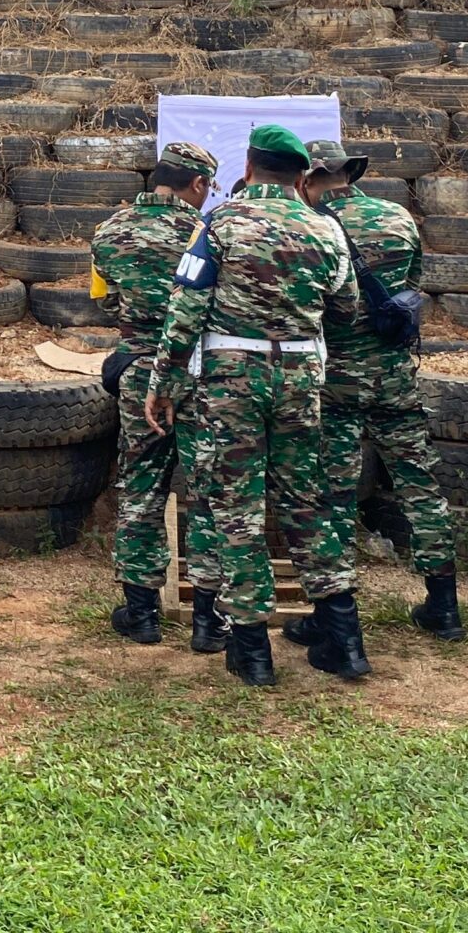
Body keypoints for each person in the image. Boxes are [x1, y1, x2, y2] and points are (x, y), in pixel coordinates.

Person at [145, 125, 354, 688]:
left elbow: (186, 307)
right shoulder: (325, 228)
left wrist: (163, 382)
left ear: (249, 165)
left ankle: (252, 649)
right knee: (305, 500)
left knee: (237, 505)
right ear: (301, 175)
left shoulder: (221, 223)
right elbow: (347, 305)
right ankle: (345, 638)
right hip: (301, 375)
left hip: (232, 379)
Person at [296, 140, 464, 650]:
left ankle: (335, 615)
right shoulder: (397, 217)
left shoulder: (313, 228)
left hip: (338, 378)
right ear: (352, 172)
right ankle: (445, 606)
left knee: (333, 494)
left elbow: (309, 305)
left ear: (307, 179)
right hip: (395, 374)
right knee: (420, 485)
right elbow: (411, 288)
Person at [90, 141, 220, 650]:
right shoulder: (206, 232)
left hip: (139, 370)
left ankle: (141, 613)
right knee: (206, 493)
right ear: (198, 185)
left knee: (142, 486)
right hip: (200, 371)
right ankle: (210, 621)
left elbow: (108, 304)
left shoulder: (109, 231)